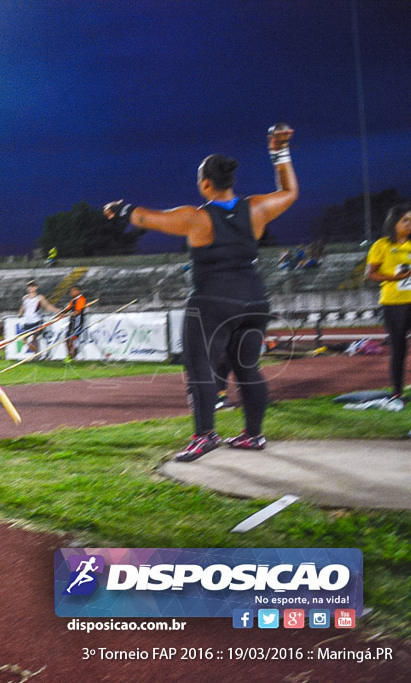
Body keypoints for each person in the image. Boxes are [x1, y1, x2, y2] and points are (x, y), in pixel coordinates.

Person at [104, 123, 298, 461]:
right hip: (255, 299)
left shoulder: (195, 217)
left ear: (206, 184)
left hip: (212, 302)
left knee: (200, 369)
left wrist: (118, 208)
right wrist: (279, 153)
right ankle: (254, 435)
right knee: (248, 368)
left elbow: (148, 219)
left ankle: (205, 435)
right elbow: (290, 193)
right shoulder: (256, 208)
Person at [365, 203, 411, 404]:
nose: (409, 224)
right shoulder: (381, 245)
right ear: (394, 223)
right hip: (393, 304)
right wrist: (395, 277)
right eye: (405, 220)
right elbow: (370, 274)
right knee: (399, 348)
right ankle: (397, 392)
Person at [18, 280, 59, 354]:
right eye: (29, 286)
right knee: (24, 339)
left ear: (36, 287)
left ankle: (37, 355)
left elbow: (47, 306)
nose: (31, 288)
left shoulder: (39, 297)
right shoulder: (25, 298)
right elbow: (22, 307)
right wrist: (20, 313)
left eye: (32, 286)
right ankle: (36, 353)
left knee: (34, 339)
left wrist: (57, 310)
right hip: (27, 321)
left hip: (36, 321)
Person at [65, 286, 88, 360]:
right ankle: (71, 355)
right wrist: (60, 313)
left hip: (77, 323)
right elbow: (68, 309)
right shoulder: (73, 300)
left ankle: (72, 356)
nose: (70, 293)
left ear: (77, 291)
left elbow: (78, 312)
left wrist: (66, 314)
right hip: (72, 322)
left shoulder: (81, 299)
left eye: (72, 291)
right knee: (67, 339)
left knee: (71, 339)